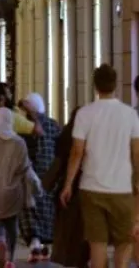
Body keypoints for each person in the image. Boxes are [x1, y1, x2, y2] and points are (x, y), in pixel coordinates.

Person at [60, 64, 139, 268]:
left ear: (95, 86)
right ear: (116, 85)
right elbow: (136, 154)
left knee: (98, 244)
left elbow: (77, 152)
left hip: (91, 188)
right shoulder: (130, 114)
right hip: (122, 190)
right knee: (124, 242)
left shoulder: (85, 114)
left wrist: (68, 184)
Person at [0, 82, 41, 260]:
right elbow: (37, 130)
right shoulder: (13, 117)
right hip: (12, 177)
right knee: (11, 217)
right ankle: (7, 247)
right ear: (3, 97)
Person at [43, 107, 89, 268]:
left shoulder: (65, 138)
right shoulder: (91, 137)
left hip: (70, 194)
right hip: (89, 192)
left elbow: (57, 165)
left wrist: (45, 186)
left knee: (70, 237)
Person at [19, 92, 60, 262]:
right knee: (47, 208)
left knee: (30, 206)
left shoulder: (25, 125)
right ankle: (45, 244)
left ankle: (34, 240)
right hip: (50, 173)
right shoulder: (53, 124)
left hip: (32, 172)